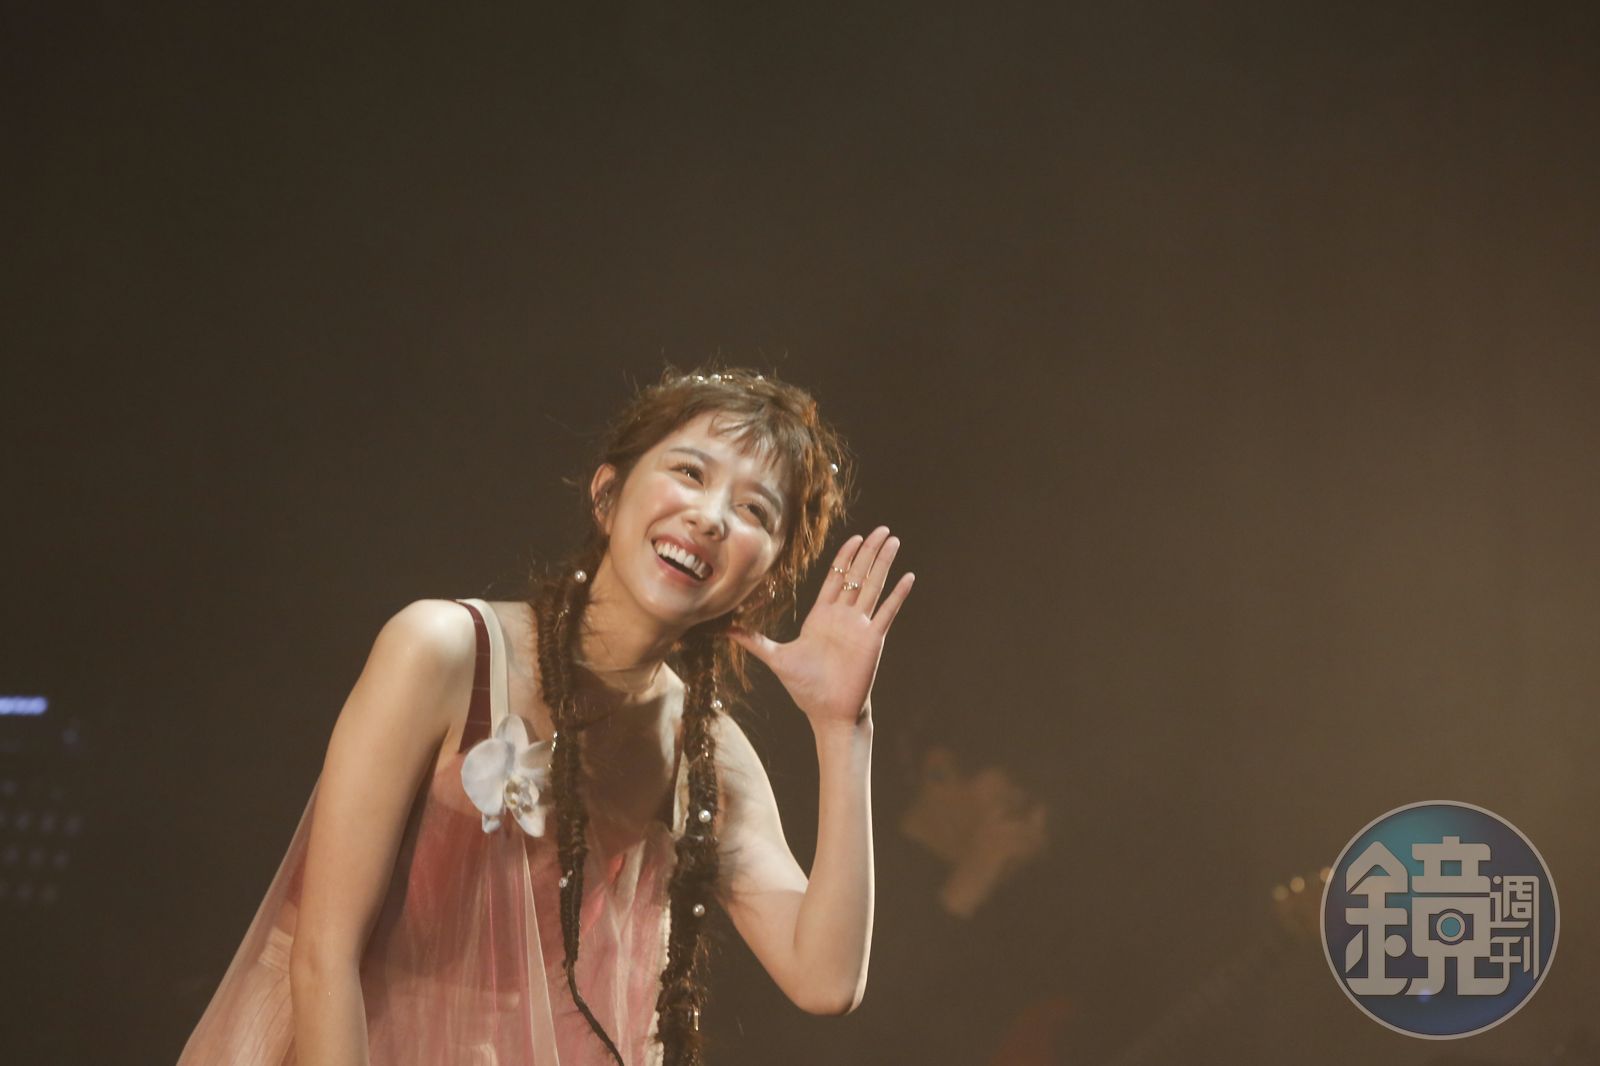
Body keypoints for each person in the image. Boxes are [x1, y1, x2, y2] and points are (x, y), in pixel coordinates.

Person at [178, 367, 915, 1065]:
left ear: (765, 579)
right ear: (608, 494)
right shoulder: (443, 650)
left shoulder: (702, 750)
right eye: (691, 473)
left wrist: (842, 729)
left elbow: (825, 980)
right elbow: (323, 954)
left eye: (754, 510)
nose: (711, 516)